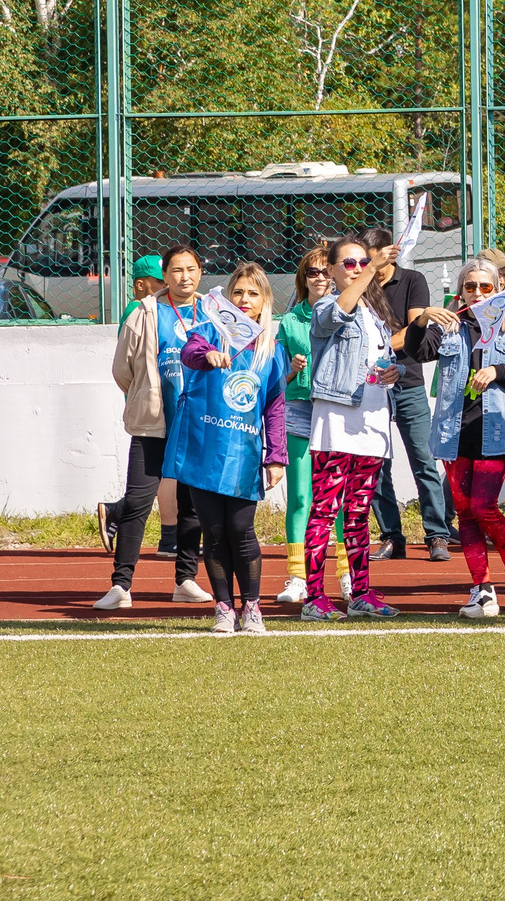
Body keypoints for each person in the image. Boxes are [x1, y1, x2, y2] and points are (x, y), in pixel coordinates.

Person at [300, 235, 420, 620]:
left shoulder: (375, 312)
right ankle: (314, 597)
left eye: (361, 262)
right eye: (348, 264)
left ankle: (361, 592)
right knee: (324, 510)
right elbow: (334, 316)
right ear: (332, 270)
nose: (356, 268)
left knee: (357, 512)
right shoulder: (327, 304)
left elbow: (382, 359)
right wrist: (368, 271)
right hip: (337, 419)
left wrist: (394, 371)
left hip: (372, 421)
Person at [165, 262, 287, 633]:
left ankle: (252, 607)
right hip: (203, 450)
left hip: (242, 456)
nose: (244, 300)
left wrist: (276, 457)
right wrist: (208, 357)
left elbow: (275, 407)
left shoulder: (271, 349)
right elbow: (189, 355)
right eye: (238, 292)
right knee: (213, 532)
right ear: (226, 299)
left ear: (264, 300)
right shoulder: (204, 333)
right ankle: (223, 608)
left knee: (241, 529)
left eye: (253, 293)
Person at [417, 257, 505, 619]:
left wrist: (498, 370)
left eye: (486, 287)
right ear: (460, 291)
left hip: (494, 432)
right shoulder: (449, 326)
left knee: (483, 506)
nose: (478, 293)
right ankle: (481, 590)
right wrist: (424, 318)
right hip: (452, 434)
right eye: (471, 286)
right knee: (465, 513)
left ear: (498, 289)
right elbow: (418, 351)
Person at [97, 245, 209, 609]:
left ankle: (185, 580)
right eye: (176, 270)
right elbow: (122, 369)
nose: (184, 276)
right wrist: (145, 397)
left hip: (197, 425)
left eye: (190, 269)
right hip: (154, 425)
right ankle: (121, 585)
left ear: (200, 272)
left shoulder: (213, 312)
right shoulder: (145, 313)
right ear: (165, 275)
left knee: (191, 506)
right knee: (137, 502)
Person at [359, 225, 457, 564]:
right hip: (371, 387)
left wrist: (381, 348)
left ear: (390, 253)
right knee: (377, 465)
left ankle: (437, 535)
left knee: (423, 461)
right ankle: (391, 536)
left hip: (408, 383)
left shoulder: (413, 280)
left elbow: (416, 327)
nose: (367, 266)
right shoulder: (360, 285)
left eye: (372, 259)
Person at [270, 244, 333, 606]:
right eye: (313, 272)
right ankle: (298, 576)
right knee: (299, 496)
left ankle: (343, 573)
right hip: (299, 409)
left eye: (327, 271)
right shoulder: (291, 321)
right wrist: (292, 369)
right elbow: (276, 378)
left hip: (337, 410)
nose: (321, 277)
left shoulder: (348, 313)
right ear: (303, 279)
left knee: (336, 499)